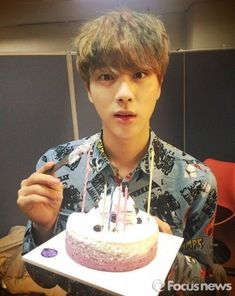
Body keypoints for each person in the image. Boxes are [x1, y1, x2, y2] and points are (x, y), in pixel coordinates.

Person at [17, 9, 218, 296]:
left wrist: (166, 256)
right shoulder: (56, 169)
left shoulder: (196, 181)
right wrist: (43, 227)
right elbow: (45, 280)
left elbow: (208, 285)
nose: (124, 93)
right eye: (106, 76)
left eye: (139, 74)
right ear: (88, 89)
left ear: (159, 84)